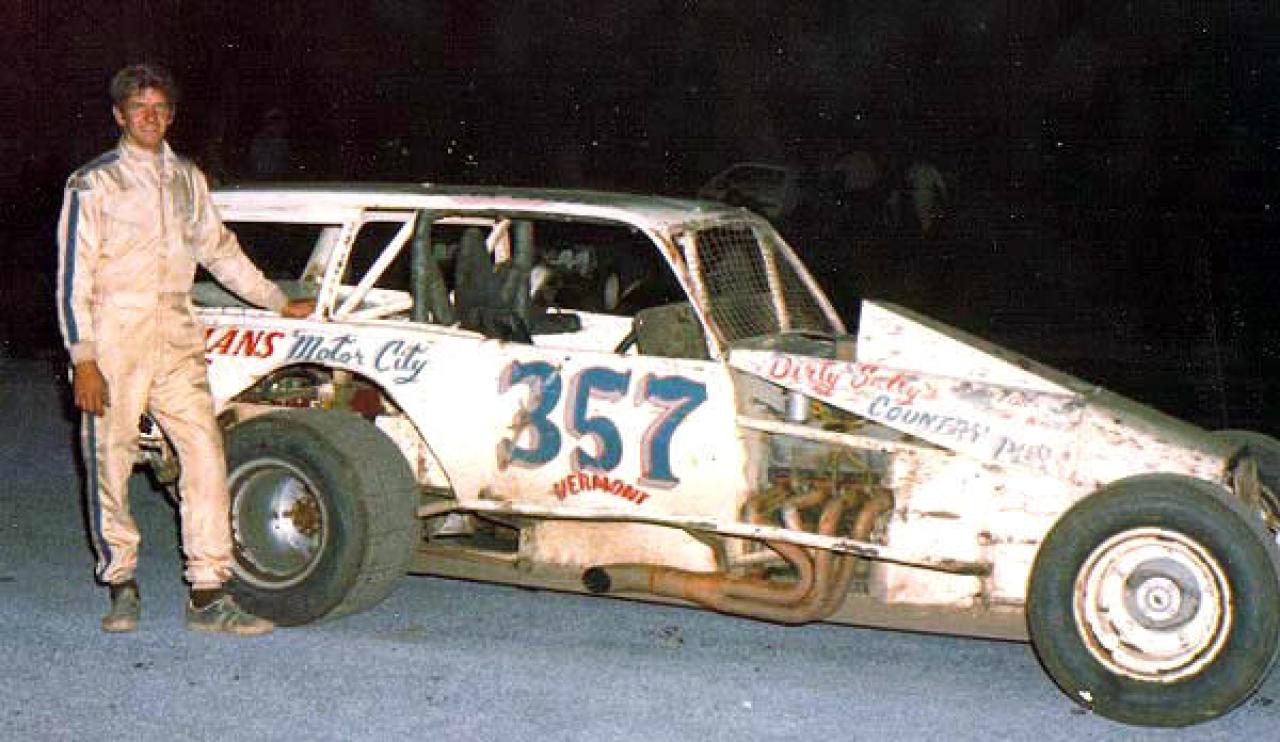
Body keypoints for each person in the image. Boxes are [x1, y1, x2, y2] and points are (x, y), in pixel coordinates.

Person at [55, 63, 315, 635]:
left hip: (175, 332)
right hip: (114, 336)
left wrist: (277, 300)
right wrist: (84, 358)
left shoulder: (187, 178)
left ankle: (208, 590)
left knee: (204, 452)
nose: (150, 117)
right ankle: (121, 581)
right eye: (139, 108)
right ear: (120, 115)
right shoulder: (93, 183)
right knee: (110, 460)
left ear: (171, 116)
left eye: (159, 108)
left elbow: (220, 251)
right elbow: (73, 277)